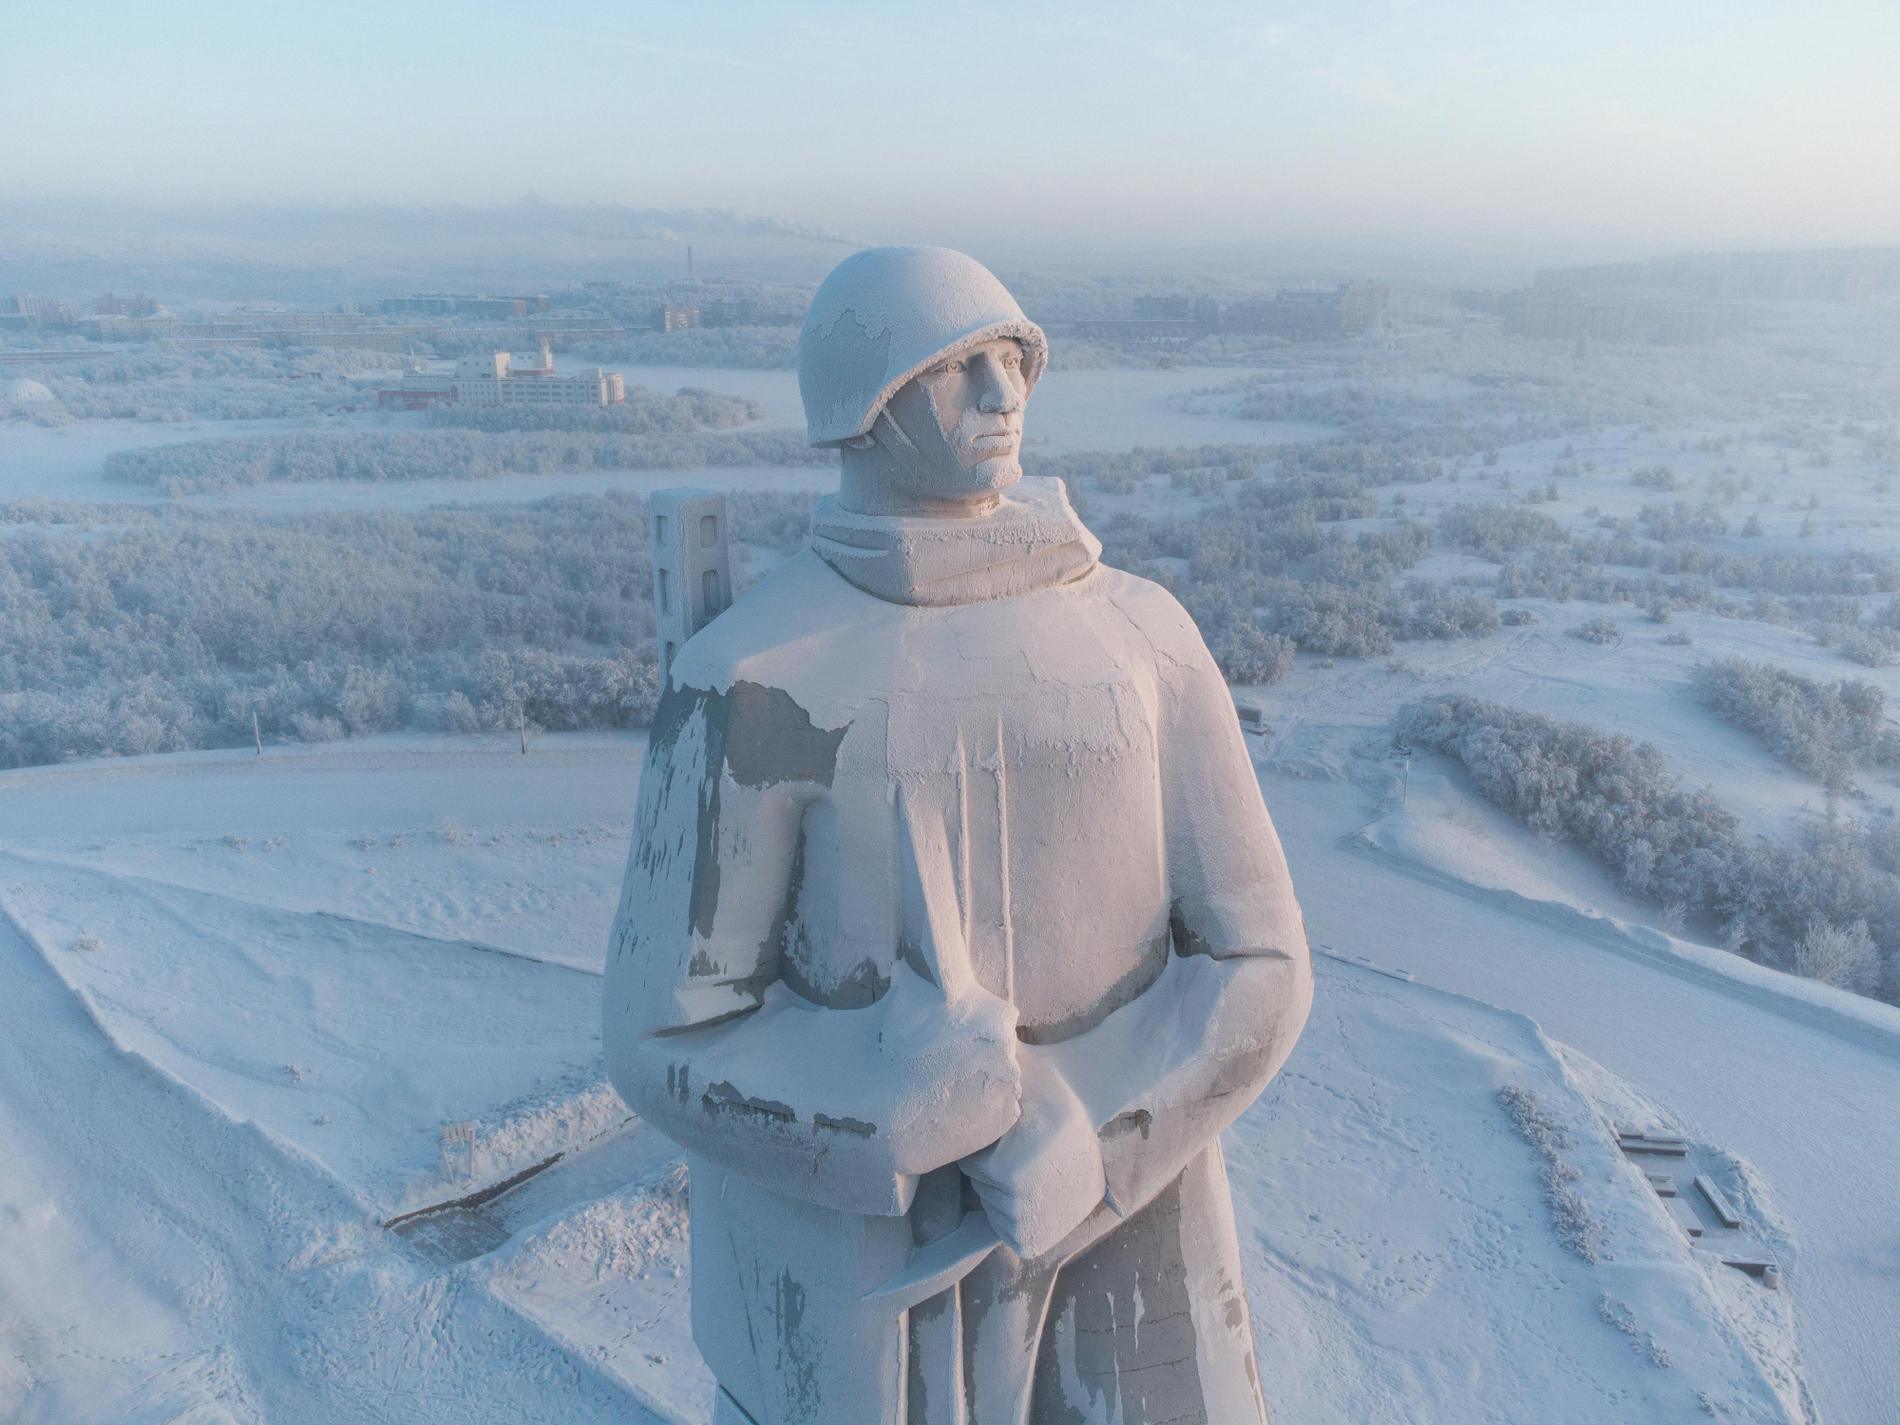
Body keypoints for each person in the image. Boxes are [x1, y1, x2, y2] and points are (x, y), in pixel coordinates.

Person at [604, 246, 1312, 1425]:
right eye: (955, 366)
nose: (1003, 394)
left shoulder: (1142, 638)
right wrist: (889, 1114)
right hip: (851, 1303)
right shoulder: (754, 677)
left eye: (1012, 357)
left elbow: (1261, 959)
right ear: (861, 405)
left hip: (1135, 1273)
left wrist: (1109, 1136)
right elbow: (662, 1035)